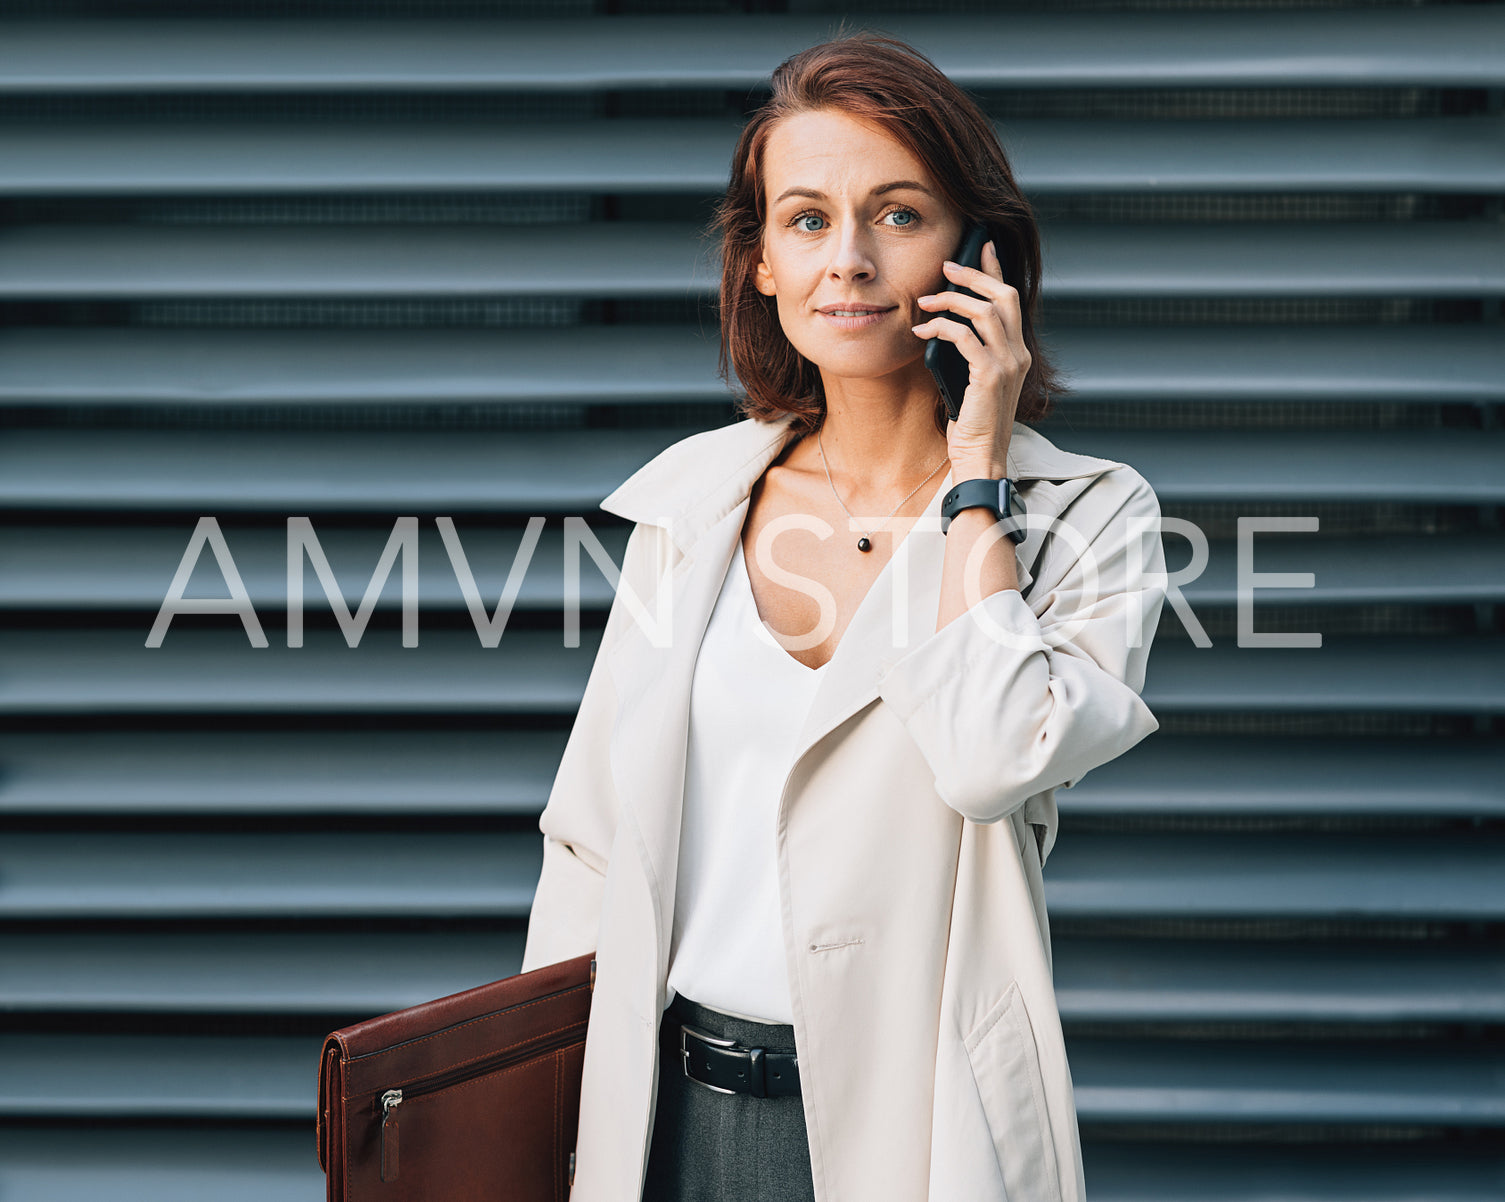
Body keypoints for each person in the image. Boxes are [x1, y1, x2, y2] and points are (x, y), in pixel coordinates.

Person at [521, 30, 1167, 1202]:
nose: (849, 260)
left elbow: (989, 757)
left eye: (898, 214)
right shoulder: (692, 500)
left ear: (980, 255)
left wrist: (974, 480)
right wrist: (540, 1124)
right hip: (657, 1120)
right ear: (759, 259)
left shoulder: (1089, 515)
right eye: (807, 219)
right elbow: (591, 842)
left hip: (909, 1132)